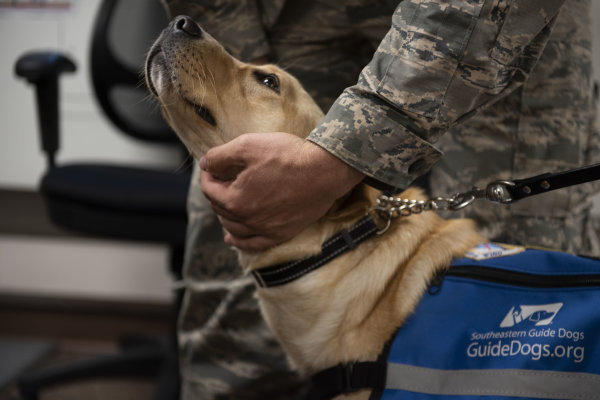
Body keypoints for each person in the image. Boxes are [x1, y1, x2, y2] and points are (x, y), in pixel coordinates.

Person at [161, 0, 599, 399]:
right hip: (280, 13)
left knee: (510, 318)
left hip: (488, 24)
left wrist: (340, 155)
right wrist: (226, 60)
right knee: (234, 323)